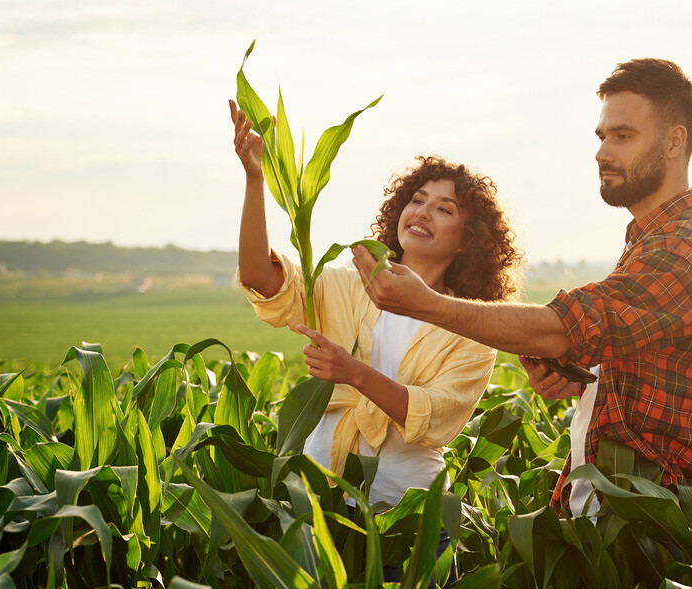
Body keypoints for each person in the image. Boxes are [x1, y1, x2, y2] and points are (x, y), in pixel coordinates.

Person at [351, 58, 692, 515]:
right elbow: (647, 359)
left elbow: (569, 327)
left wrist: (426, 304)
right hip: (617, 516)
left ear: (675, 141)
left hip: (654, 524)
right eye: (602, 136)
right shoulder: (647, 238)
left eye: (623, 136)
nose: (602, 152)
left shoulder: (682, 244)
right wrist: (583, 381)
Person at [228, 99, 523, 514]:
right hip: (319, 502)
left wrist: (353, 373)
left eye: (444, 208)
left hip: (407, 516)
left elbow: (434, 419)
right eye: (417, 199)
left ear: (466, 240)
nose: (423, 212)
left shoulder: (472, 330)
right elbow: (261, 279)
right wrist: (255, 178)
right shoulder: (347, 286)